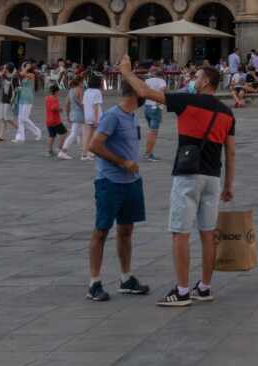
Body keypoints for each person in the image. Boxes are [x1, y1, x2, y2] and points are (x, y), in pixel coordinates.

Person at [119, 58, 236, 307]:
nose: (193, 80)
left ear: (205, 82)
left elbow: (144, 92)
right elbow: (231, 152)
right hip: (213, 178)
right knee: (207, 233)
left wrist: (127, 73)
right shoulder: (227, 112)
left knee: (180, 233)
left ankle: (182, 291)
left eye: (197, 77)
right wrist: (229, 184)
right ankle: (204, 287)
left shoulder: (187, 101)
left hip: (188, 175)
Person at [85, 79, 151, 302]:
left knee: (126, 230)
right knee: (101, 230)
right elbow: (94, 145)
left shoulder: (133, 116)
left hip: (131, 182)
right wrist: (122, 162)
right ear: (134, 94)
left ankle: (126, 278)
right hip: (110, 181)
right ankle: (94, 283)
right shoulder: (113, 115)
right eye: (141, 90)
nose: (145, 94)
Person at [142, 68, 167, 162]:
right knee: (153, 132)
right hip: (155, 107)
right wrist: (158, 102)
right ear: (162, 75)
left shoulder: (147, 80)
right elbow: (162, 90)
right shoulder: (162, 81)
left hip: (147, 106)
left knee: (151, 131)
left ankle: (149, 153)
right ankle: (148, 154)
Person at [13, 66, 41, 143]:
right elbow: (24, 85)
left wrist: (23, 67)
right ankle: (20, 137)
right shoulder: (26, 76)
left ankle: (37, 131)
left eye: (25, 67)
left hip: (28, 98)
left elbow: (22, 74)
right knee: (20, 118)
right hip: (22, 97)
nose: (23, 68)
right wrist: (19, 89)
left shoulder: (32, 75)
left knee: (24, 118)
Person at [81, 75, 105, 160]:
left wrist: (85, 116)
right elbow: (96, 106)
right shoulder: (97, 92)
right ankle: (86, 153)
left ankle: (87, 153)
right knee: (93, 136)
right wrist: (96, 119)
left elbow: (84, 105)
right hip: (95, 116)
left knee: (87, 135)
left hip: (87, 115)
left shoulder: (86, 91)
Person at [45, 81, 71, 159]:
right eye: (58, 91)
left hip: (48, 120)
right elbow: (53, 108)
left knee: (52, 135)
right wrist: (60, 109)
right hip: (55, 120)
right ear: (56, 91)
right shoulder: (55, 99)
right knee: (64, 133)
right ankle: (59, 147)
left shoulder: (47, 98)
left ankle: (49, 150)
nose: (58, 93)